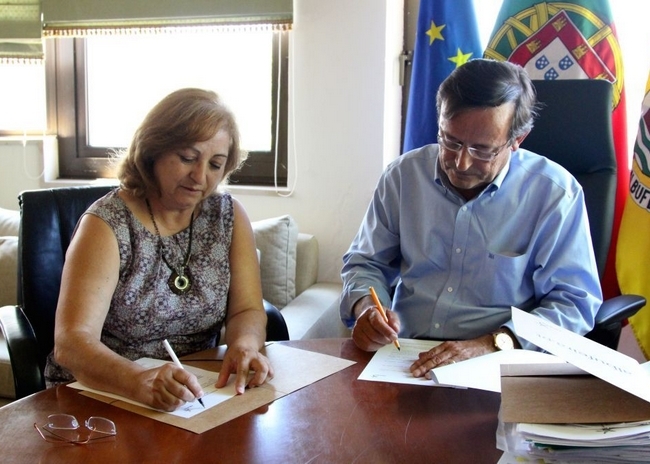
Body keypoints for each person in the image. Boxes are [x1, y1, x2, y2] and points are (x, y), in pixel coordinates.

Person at [340, 59, 602, 377]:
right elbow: (365, 263)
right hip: (405, 356)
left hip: (500, 361)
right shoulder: (403, 176)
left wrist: (494, 343)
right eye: (450, 141)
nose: (461, 163)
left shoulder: (554, 194)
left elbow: (574, 303)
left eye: (482, 149)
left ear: (517, 140)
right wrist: (367, 310)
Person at [46, 88, 273, 411]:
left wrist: (245, 344)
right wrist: (138, 380)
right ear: (153, 150)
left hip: (196, 393)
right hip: (105, 393)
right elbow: (71, 344)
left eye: (215, 164)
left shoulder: (228, 216)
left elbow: (247, 310)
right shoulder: (106, 224)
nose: (200, 176)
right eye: (188, 158)